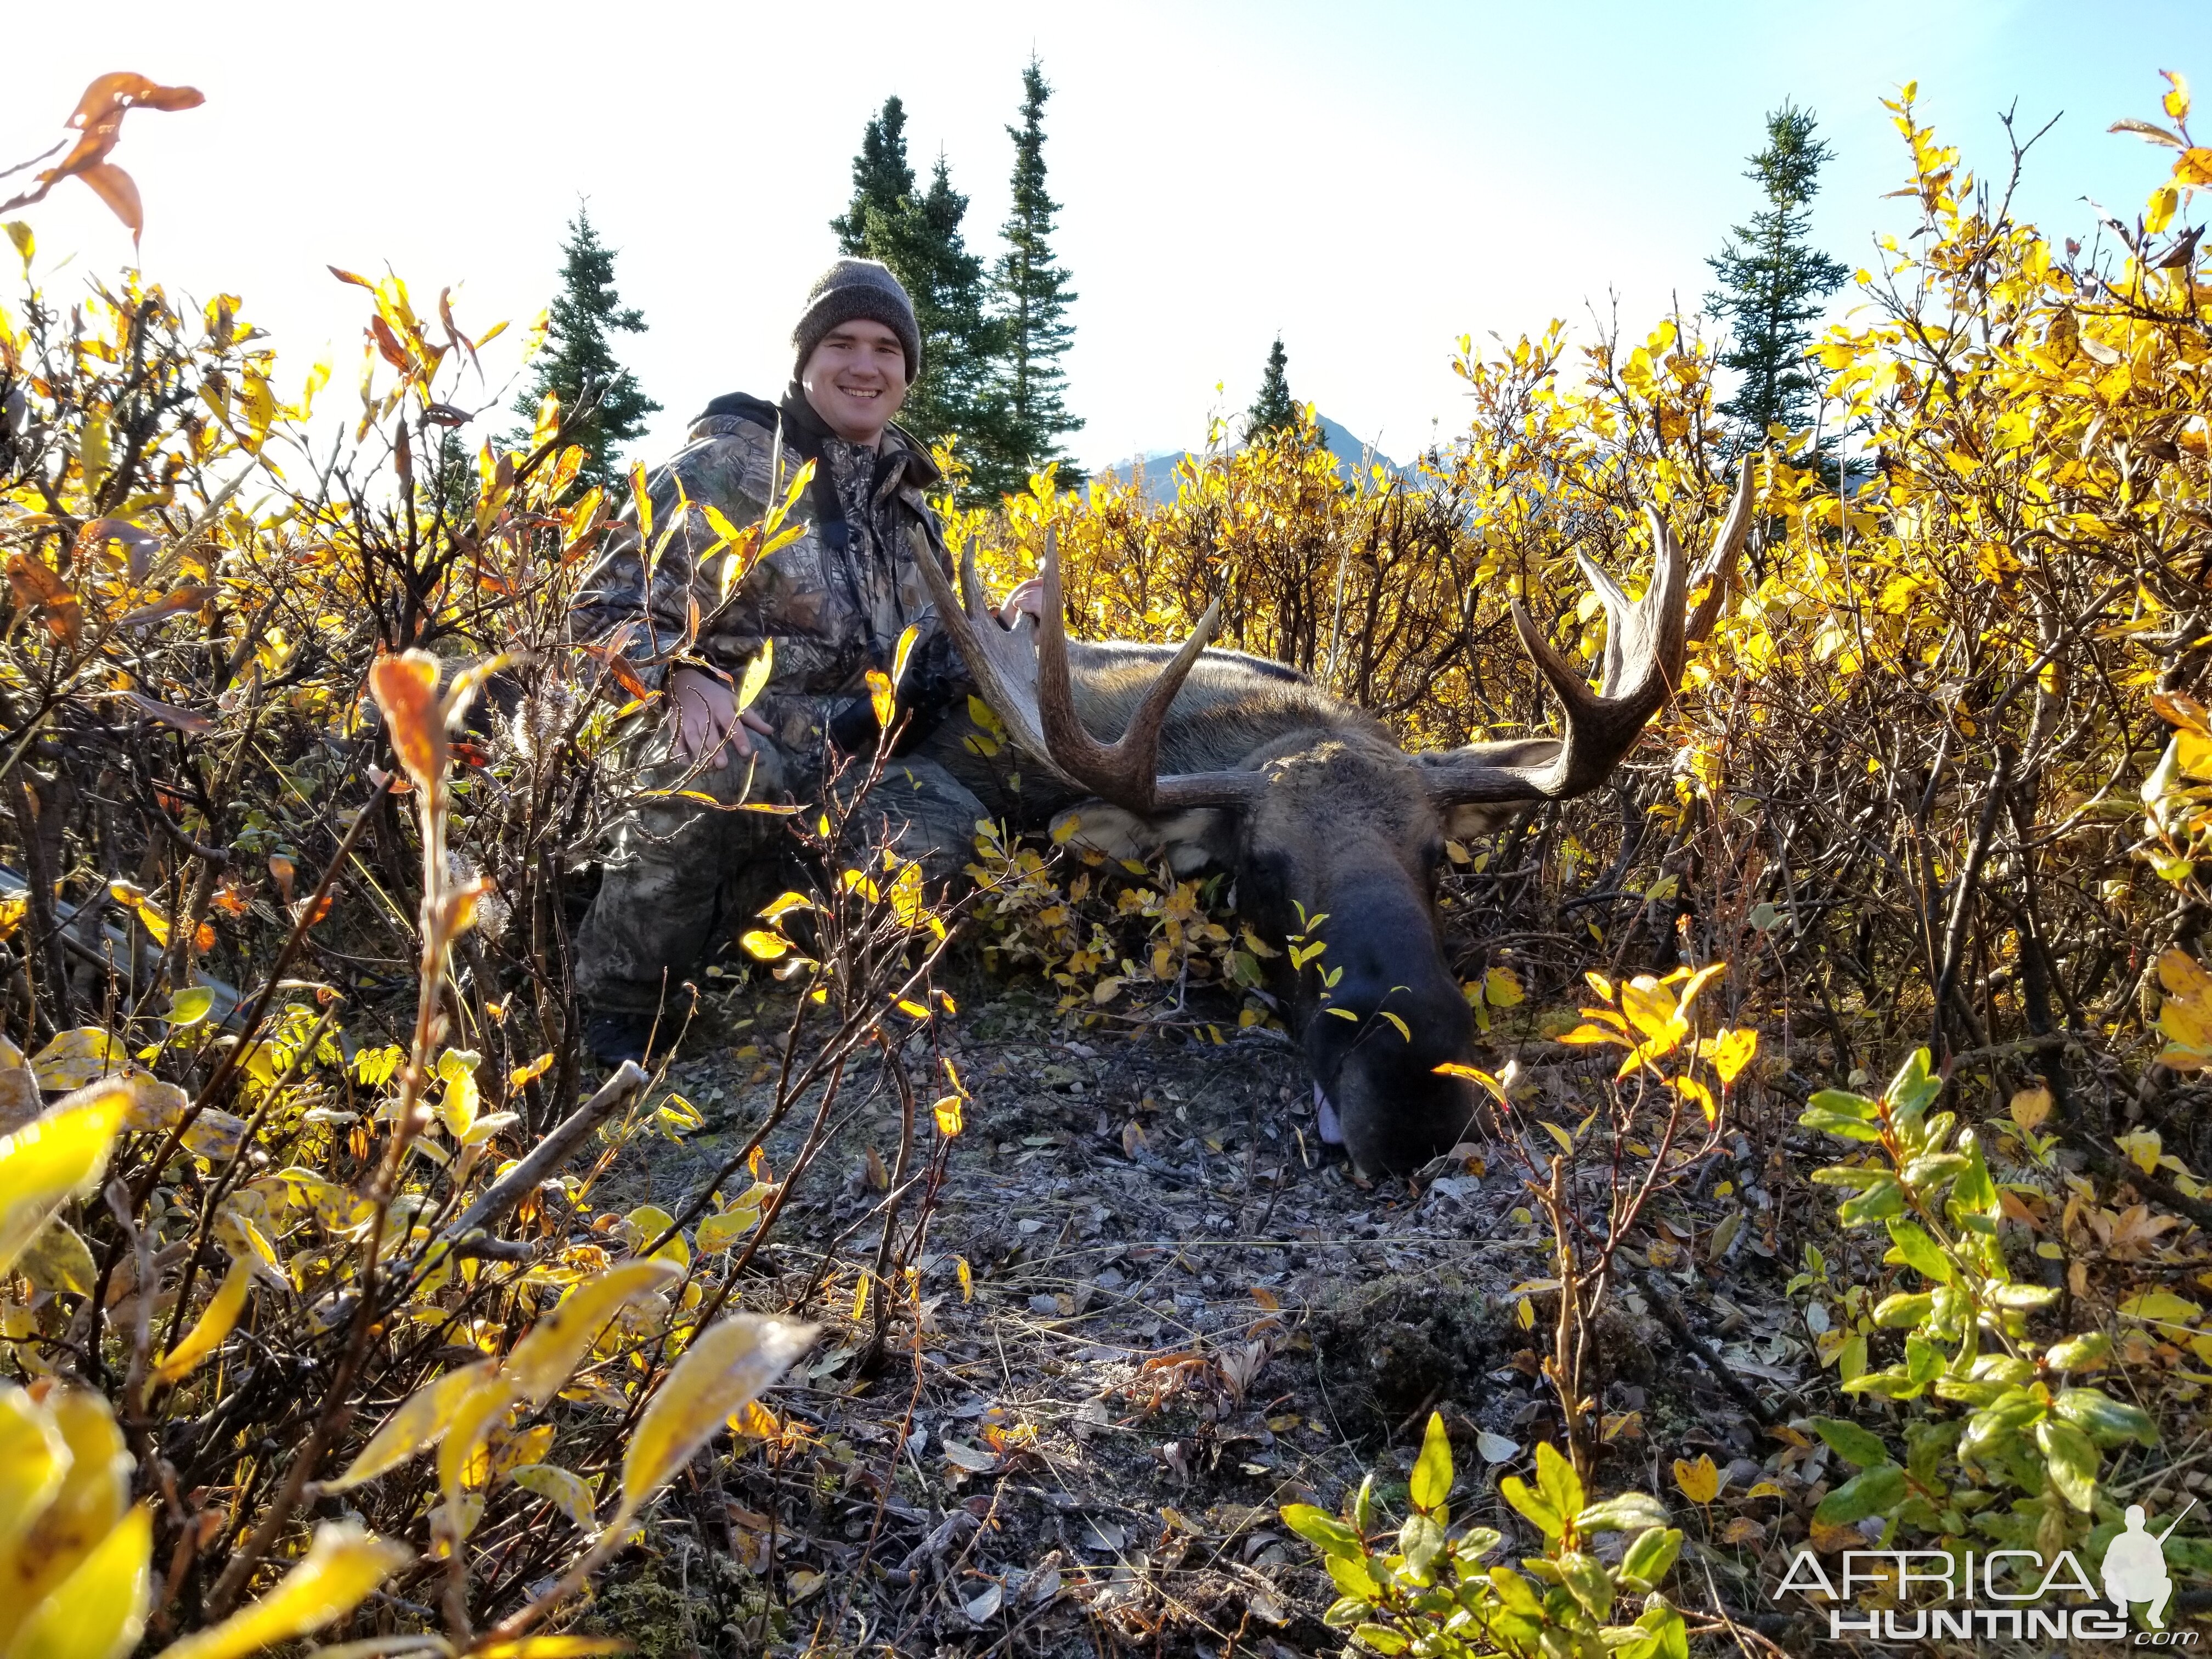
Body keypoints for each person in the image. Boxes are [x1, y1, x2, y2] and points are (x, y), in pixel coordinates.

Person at [569, 258, 1034, 1065]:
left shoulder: (909, 506)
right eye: (842, 343)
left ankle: (777, 936)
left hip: (853, 759)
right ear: (805, 359)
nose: (865, 365)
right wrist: (678, 675)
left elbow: (937, 641)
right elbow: (596, 613)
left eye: (887, 348)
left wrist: (1006, 623)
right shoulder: (724, 470)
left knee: (952, 834)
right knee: (711, 771)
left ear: (906, 371)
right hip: (740, 740)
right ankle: (621, 1001)